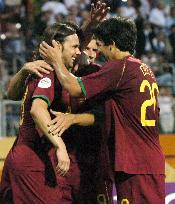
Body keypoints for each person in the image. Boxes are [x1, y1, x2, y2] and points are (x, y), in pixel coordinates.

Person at [39, 16, 165, 203]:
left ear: (112, 45)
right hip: (147, 159)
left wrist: (56, 60)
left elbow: (73, 87)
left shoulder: (119, 68)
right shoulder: (143, 68)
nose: (100, 53)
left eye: (101, 46)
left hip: (135, 162)